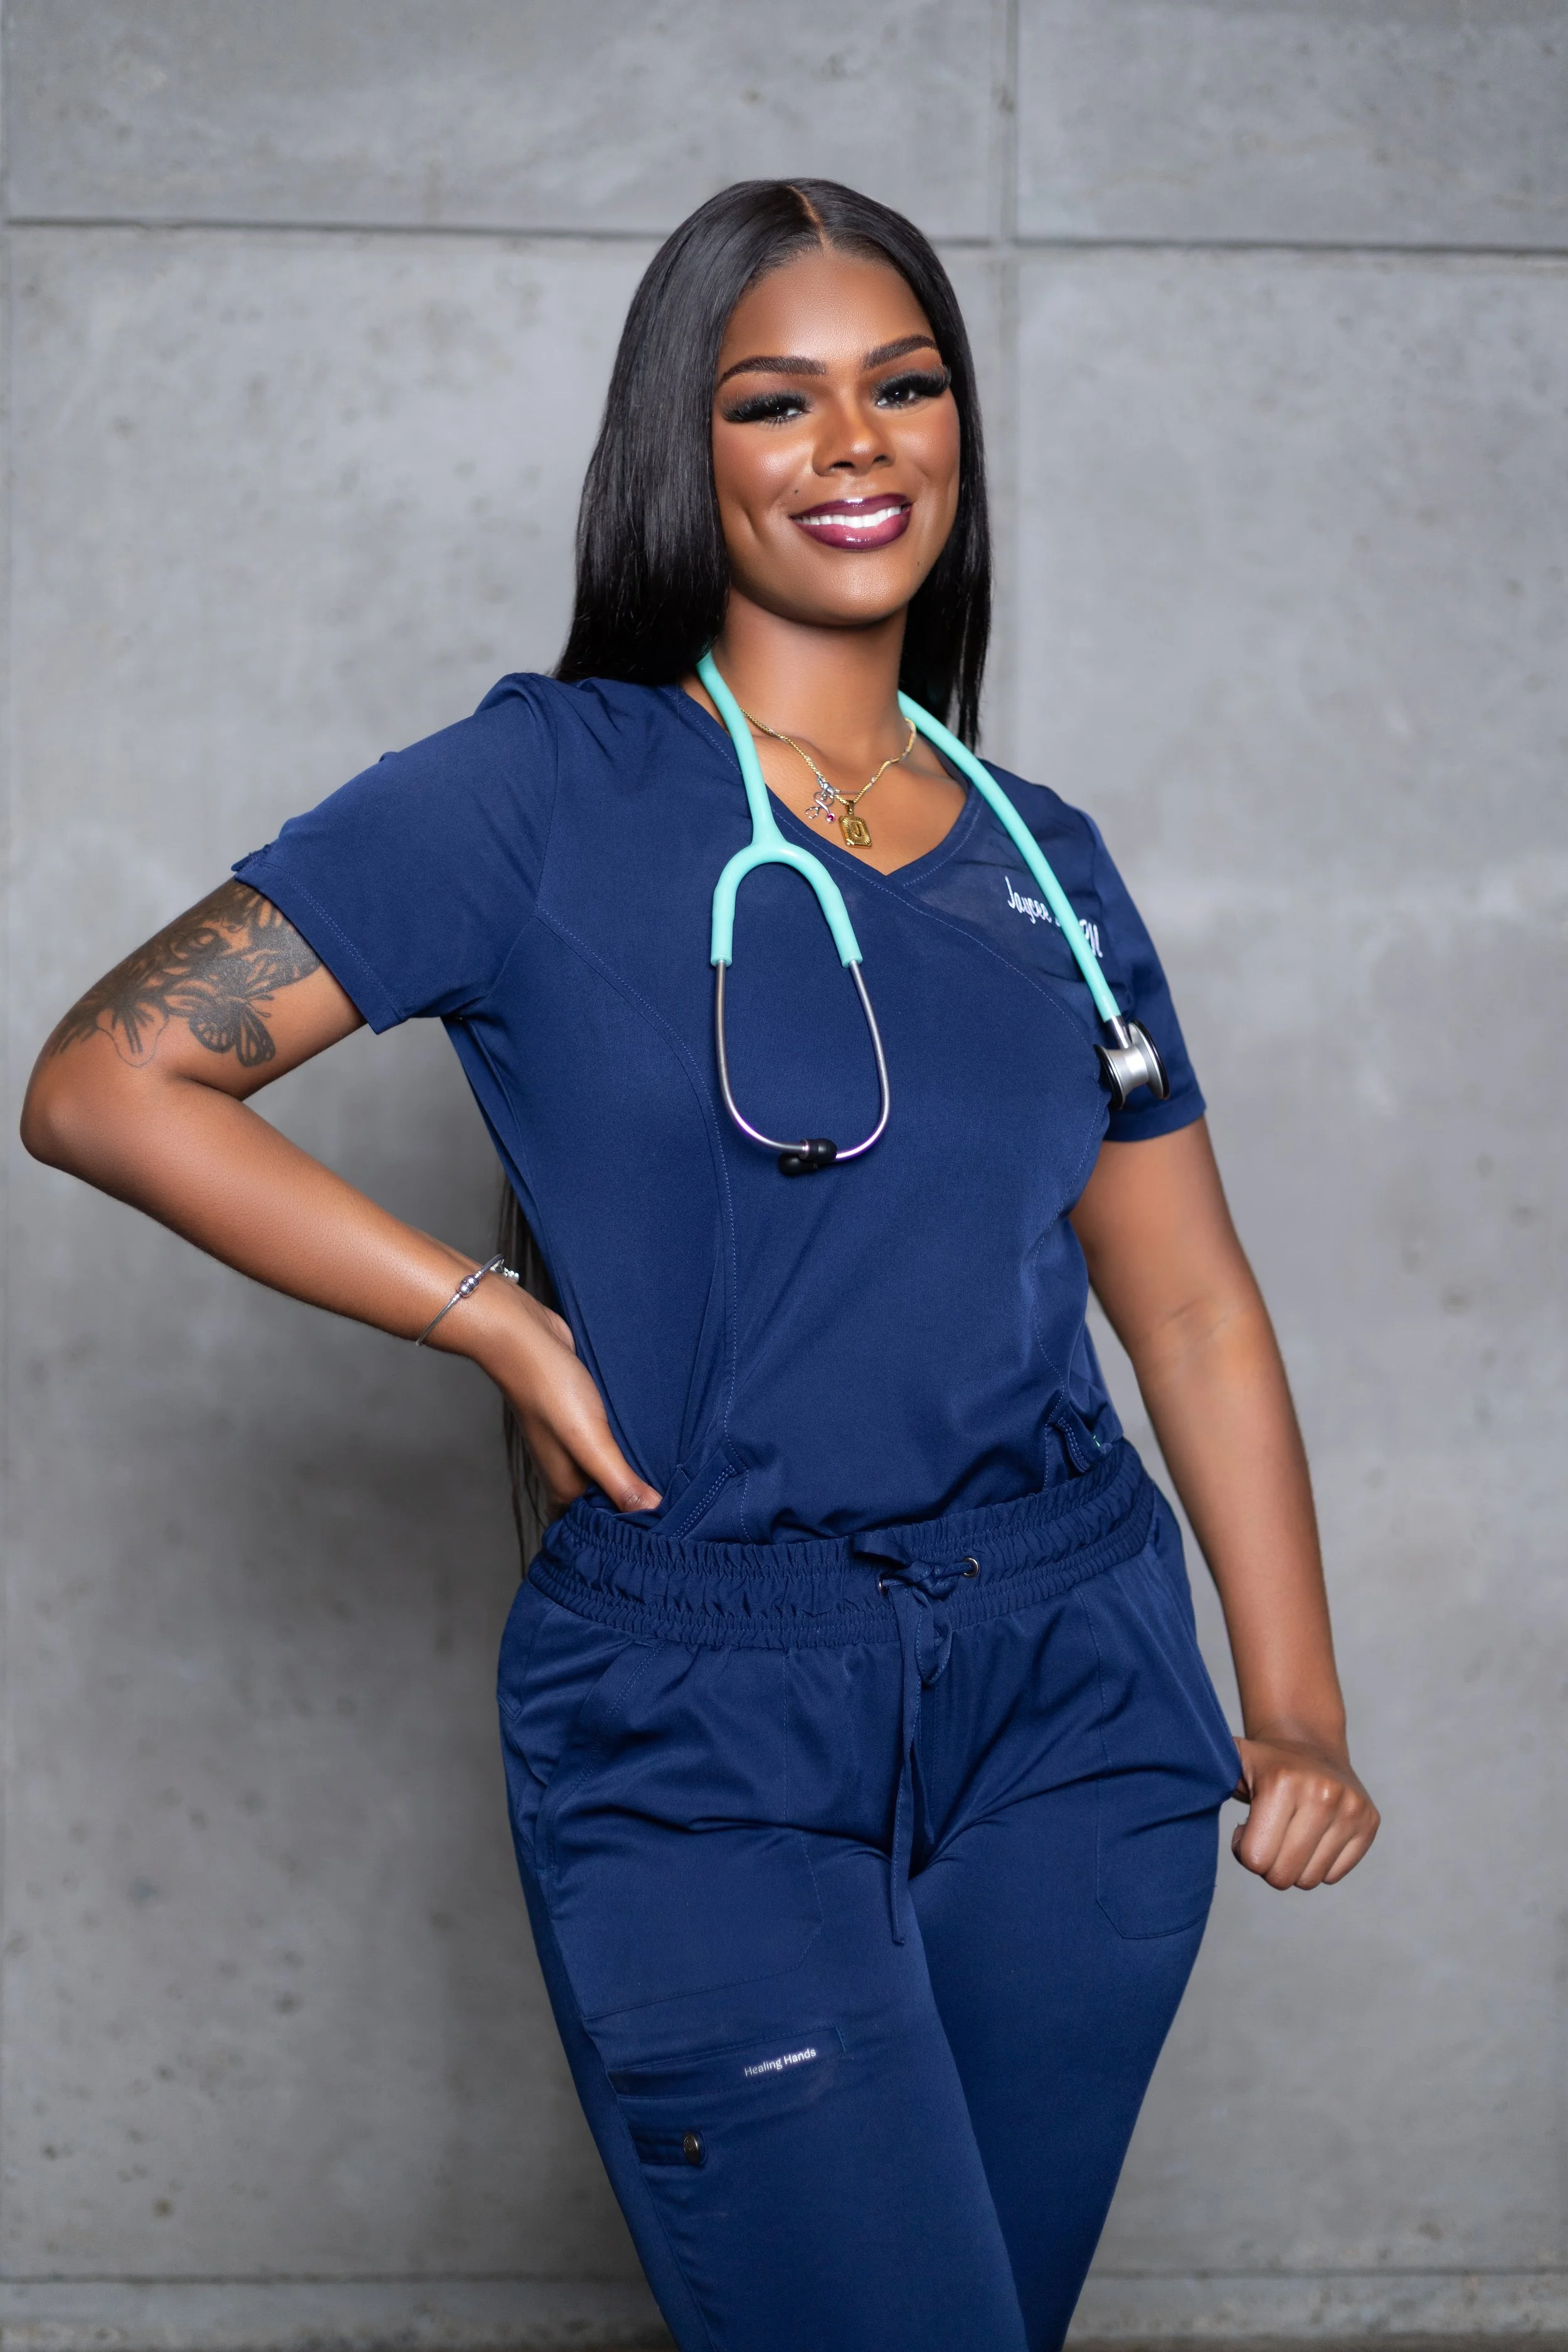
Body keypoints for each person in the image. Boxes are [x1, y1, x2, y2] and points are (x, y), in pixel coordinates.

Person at [21, 179, 1377, 2352]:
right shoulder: (538, 791)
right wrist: (487, 1317)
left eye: (903, 384)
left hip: (1074, 1710)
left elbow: (1189, 1301)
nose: (856, 446)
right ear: (686, 447)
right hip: (702, 1718)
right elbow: (103, 1080)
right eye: (778, 400)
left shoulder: (1047, 855)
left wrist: (1291, 1699)